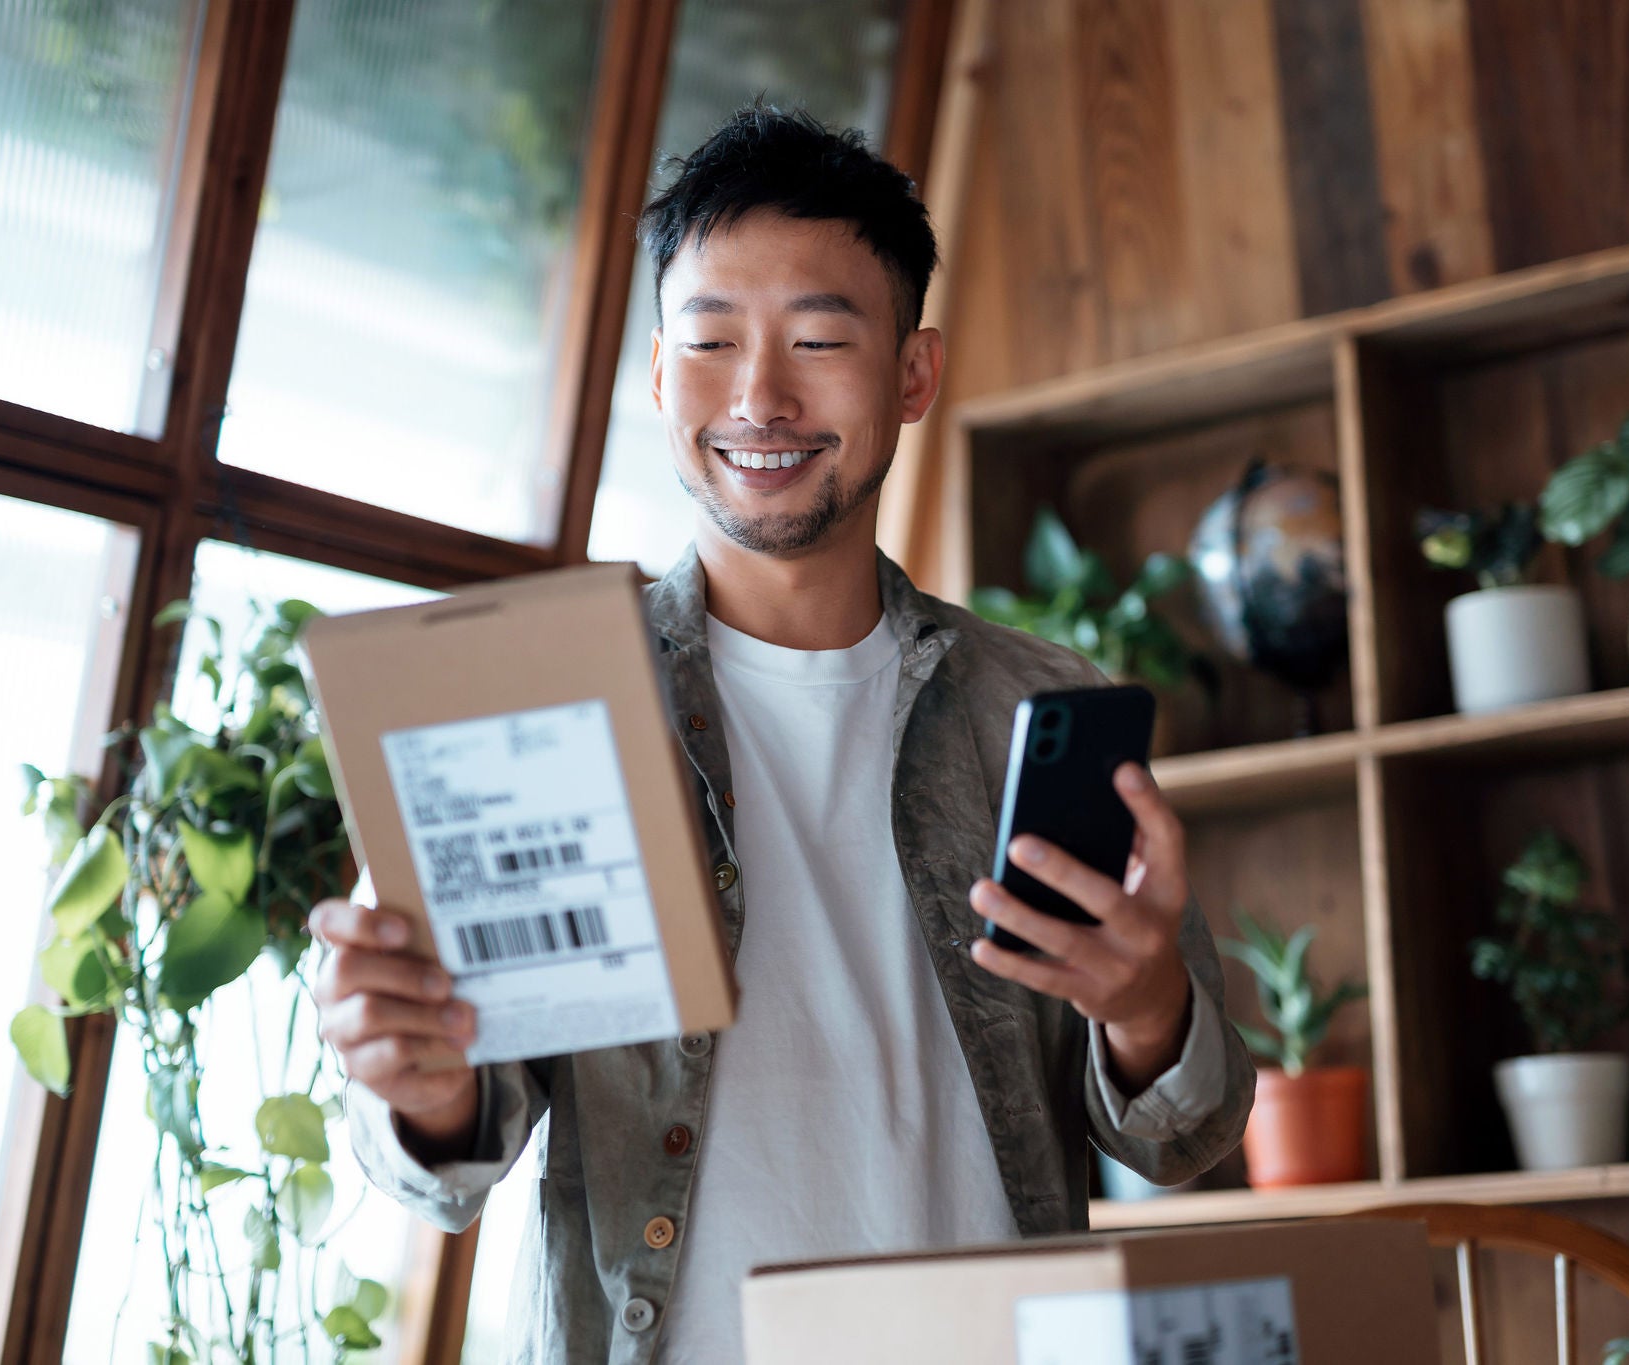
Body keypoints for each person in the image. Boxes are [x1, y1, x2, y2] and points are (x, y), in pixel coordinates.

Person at [309, 106, 1253, 1365]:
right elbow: (441, 1166)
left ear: (911, 375)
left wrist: (1145, 1008)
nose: (758, 394)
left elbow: (1182, 1133)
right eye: (709, 340)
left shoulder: (1034, 705)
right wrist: (421, 1090)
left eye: (817, 338)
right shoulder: (531, 701)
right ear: (655, 373)